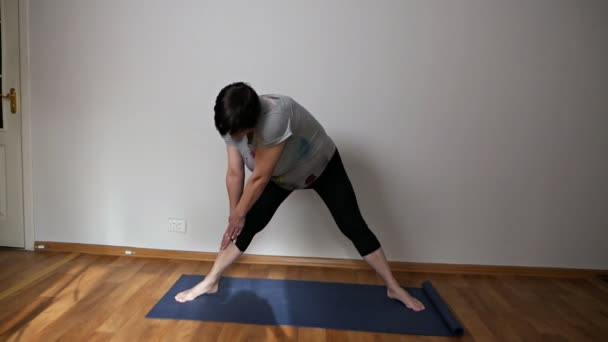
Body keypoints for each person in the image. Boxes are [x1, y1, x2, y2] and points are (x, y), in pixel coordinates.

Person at [175, 82, 425, 312]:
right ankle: (210, 282)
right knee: (246, 225)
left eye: (239, 134)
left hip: (320, 166)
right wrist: (234, 217)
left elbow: (259, 178)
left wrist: (240, 214)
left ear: (253, 121)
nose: (235, 139)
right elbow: (234, 172)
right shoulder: (231, 118)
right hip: (281, 176)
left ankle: (393, 287)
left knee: (352, 225)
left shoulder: (276, 116)